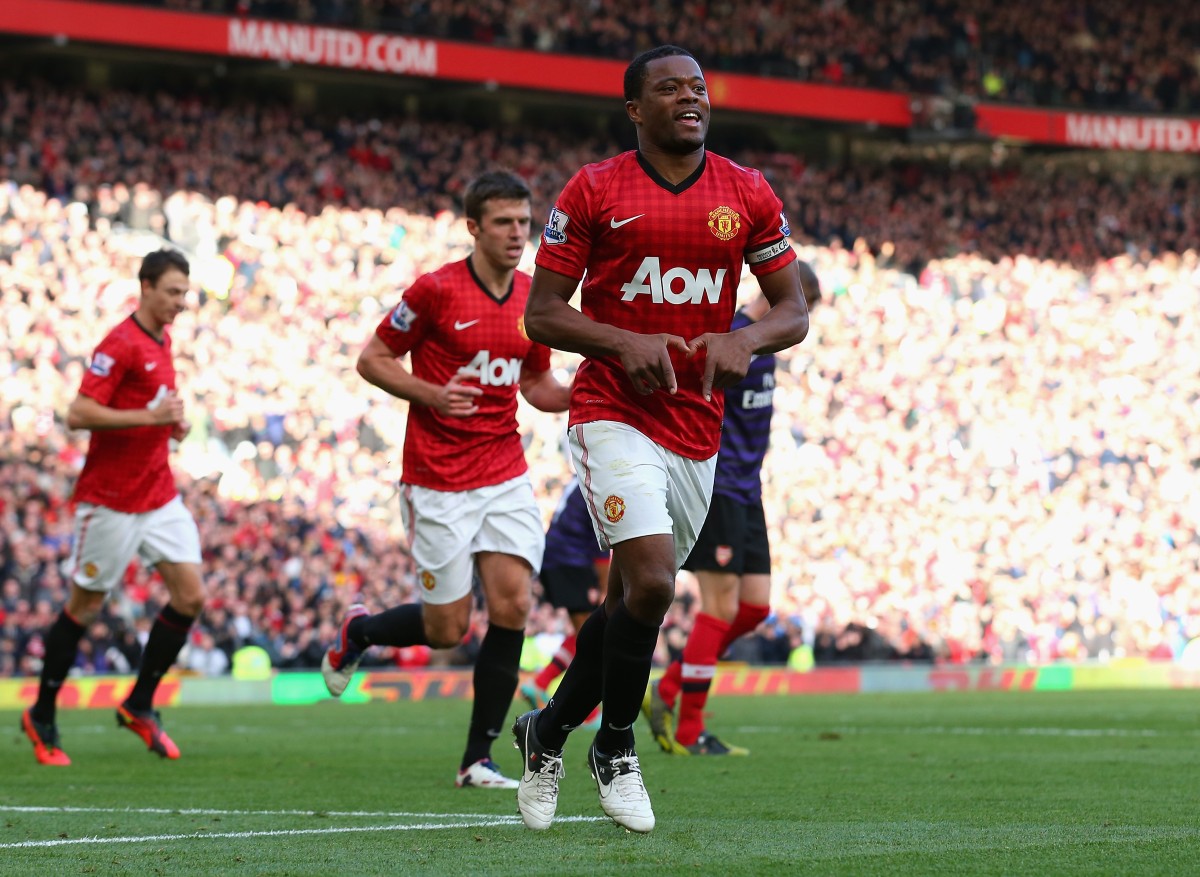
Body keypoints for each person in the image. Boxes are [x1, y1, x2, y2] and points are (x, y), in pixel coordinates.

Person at [512, 45, 810, 833]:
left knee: (626, 606)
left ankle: (545, 731)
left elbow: (792, 309)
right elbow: (543, 313)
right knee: (649, 582)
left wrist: (749, 341)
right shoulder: (594, 187)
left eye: (699, 88)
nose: (690, 98)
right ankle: (614, 746)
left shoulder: (746, 192)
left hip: (695, 424)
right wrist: (618, 341)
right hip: (611, 407)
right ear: (635, 110)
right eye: (669, 89)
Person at [320, 170, 570, 789]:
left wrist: (576, 392)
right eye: (505, 223)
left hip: (504, 468)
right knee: (447, 628)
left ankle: (477, 759)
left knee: (512, 603)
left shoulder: (534, 297)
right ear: (474, 228)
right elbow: (372, 358)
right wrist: (432, 394)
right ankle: (362, 630)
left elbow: (535, 384)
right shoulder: (434, 292)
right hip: (436, 477)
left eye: (524, 221)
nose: (518, 234)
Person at [21, 248, 204, 765]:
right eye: (171, 292)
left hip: (158, 493)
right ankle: (41, 714)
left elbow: (153, 411)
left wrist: (173, 423)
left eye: (184, 293)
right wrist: (149, 418)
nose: (179, 303)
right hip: (111, 501)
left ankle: (140, 703)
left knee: (190, 597)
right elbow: (78, 413)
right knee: (85, 607)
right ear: (144, 286)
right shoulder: (119, 343)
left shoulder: (164, 339)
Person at [644, 265, 821, 757]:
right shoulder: (731, 339)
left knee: (755, 607)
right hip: (719, 487)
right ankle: (689, 730)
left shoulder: (761, 347)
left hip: (749, 491)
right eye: (802, 309)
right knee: (719, 608)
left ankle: (670, 685)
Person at [521, 477, 610, 728]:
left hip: (557, 557)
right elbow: (599, 538)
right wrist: (605, 588)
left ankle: (539, 683)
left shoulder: (582, 476)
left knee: (585, 633)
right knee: (592, 637)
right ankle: (586, 711)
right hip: (572, 560)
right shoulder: (602, 480)